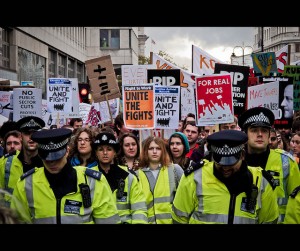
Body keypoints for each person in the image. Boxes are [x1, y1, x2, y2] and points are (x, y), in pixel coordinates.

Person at [10, 128, 120, 224]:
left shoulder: (94, 181)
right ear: (39, 154)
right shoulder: (26, 185)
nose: (52, 163)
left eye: (57, 157)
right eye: (47, 159)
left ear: (67, 151)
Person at [171, 130, 279, 224]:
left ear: (242, 155)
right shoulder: (194, 177)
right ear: (213, 156)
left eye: (231, 163)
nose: (225, 168)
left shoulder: (262, 181)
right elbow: (179, 219)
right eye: (220, 162)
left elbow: (269, 220)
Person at [238, 106, 300, 223]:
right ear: (245, 133)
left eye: (264, 130)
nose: (260, 134)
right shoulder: (236, 162)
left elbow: (297, 203)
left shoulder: (286, 162)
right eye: (254, 130)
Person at [92, 132, 148, 224]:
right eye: (101, 149)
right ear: (96, 153)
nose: (105, 153)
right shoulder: (88, 176)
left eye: (109, 149)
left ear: (114, 152)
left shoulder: (128, 176)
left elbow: (139, 209)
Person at [136, 136, 184, 224]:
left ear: (163, 151)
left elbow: (184, 199)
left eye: (158, 148)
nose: (154, 152)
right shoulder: (137, 175)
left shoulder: (174, 170)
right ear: (146, 151)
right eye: (151, 148)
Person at [0, 116, 45, 207]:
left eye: (35, 133)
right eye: (27, 133)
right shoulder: (5, 162)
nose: (31, 137)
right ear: (20, 136)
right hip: (12, 218)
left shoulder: (48, 164)